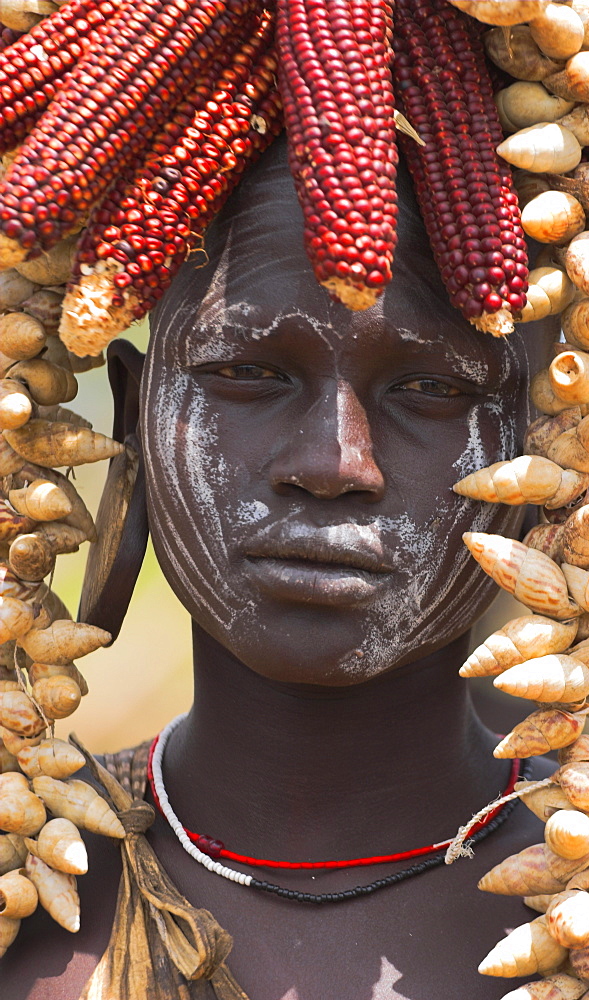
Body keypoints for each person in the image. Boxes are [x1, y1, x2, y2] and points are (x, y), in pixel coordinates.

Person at [2, 136, 559, 1000]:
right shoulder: (27, 905)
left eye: (431, 388)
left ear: (549, 450)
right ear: (132, 414)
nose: (335, 462)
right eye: (246, 372)